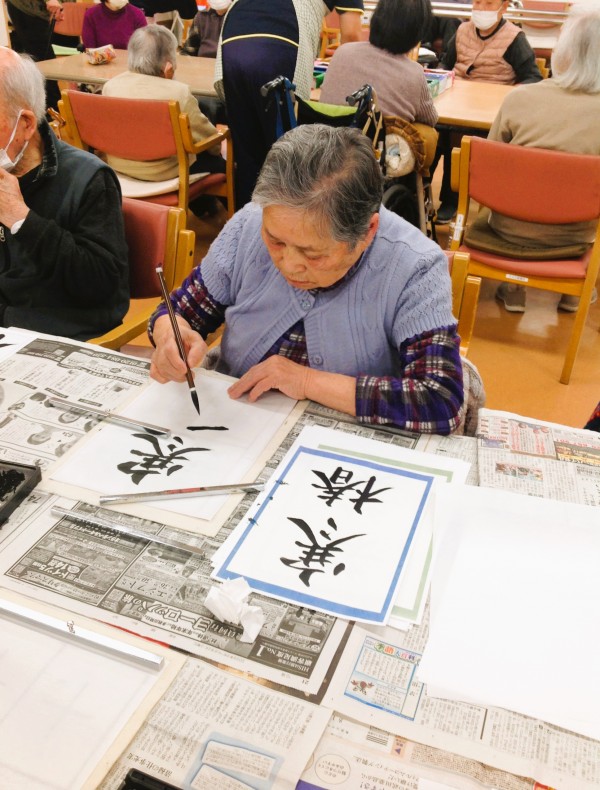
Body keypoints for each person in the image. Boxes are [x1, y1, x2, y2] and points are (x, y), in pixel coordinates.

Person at [148, 125, 465, 435]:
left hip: (341, 440)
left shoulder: (414, 266)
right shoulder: (248, 225)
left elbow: (439, 400)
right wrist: (170, 336)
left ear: (367, 232)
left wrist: (305, 381)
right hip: (236, 427)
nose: (288, 265)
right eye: (275, 241)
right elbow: (177, 312)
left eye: (313, 255)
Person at [0, 47, 129, 340]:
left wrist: (21, 219)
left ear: (26, 124)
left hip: (58, 333)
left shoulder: (89, 180)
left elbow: (100, 285)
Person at [486, 4, 600, 313]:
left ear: (563, 51)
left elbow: (484, 170)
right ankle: (576, 290)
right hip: (576, 236)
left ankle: (514, 288)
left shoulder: (519, 99)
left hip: (508, 229)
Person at [214, 0, 364, 208]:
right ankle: (281, 225)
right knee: (286, 155)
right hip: (283, 35)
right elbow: (352, 36)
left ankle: (245, 224)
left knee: (246, 154)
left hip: (234, 32)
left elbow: (219, 6)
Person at [433, 0, 542, 224]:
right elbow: (446, 64)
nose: (481, 8)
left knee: (460, 136)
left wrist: (507, 95)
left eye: (489, 3)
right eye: (477, 2)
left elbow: (533, 78)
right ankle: (425, 194)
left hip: (489, 114)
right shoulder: (462, 30)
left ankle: (455, 199)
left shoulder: (514, 38)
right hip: (458, 103)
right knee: (435, 129)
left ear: (504, 7)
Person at [102, 25, 224, 187]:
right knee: (221, 163)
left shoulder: (110, 87)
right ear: (169, 64)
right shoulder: (179, 92)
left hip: (119, 167)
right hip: (163, 173)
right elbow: (210, 141)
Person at [320, 0, 438, 126]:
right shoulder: (414, 73)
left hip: (325, 135)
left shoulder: (342, 52)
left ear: (376, 18)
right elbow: (431, 119)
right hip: (374, 138)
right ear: (419, 33)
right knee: (426, 132)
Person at [7, 0, 66, 109]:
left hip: (29, 9)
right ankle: (53, 111)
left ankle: (48, 110)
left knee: (39, 64)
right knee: (45, 64)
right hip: (28, 9)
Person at [181, 0, 231, 125]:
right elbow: (189, 50)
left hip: (226, 78)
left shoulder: (238, 17)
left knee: (211, 105)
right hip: (201, 78)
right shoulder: (201, 16)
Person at [82, 0, 147, 51]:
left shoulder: (137, 14)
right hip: (100, 63)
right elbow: (90, 49)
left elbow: (143, 49)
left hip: (129, 62)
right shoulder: (91, 15)